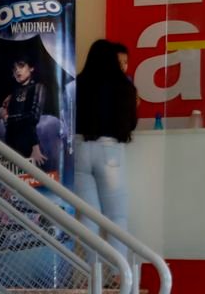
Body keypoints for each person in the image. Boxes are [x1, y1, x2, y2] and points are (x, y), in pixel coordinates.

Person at [72, 40, 137, 264]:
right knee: (116, 216)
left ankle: (93, 272)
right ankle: (118, 273)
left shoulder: (78, 83)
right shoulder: (123, 86)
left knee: (89, 217)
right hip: (109, 152)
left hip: (80, 149)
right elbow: (130, 123)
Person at [0, 57, 47, 166]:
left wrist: (35, 146)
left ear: (31, 68)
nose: (17, 70)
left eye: (21, 65)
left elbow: (32, 118)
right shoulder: (14, 92)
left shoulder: (37, 87)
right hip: (11, 145)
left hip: (28, 145)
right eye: (14, 68)